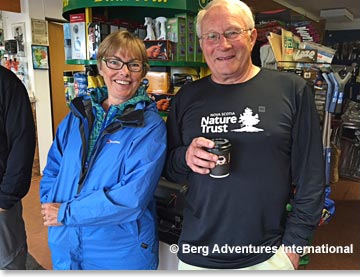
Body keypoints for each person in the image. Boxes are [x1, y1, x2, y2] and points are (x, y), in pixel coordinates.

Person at [164, 0, 325, 270]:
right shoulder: (186, 97)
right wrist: (185, 157)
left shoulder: (291, 90)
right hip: (197, 254)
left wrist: (294, 247)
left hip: (268, 256)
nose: (223, 45)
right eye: (212, 36)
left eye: (232, 33)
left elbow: (312, 176)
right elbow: (171, 168)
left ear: (251, 37)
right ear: (202, 43)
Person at [40, 31, 167, 270]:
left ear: (143, 72)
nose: (124, 72)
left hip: (119, 250)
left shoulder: (149, 127)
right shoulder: (76, 117)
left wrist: (66, 212)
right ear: (101, 67)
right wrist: (50, 205)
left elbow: (132, 197)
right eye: (114, 62)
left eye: (134, 64)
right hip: (65, 240)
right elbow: (53, 169)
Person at [0, 66, 36, 269]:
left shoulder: (6, 83)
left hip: (1, 203)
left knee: (7, 264)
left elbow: (23, 143)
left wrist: (5, 200)